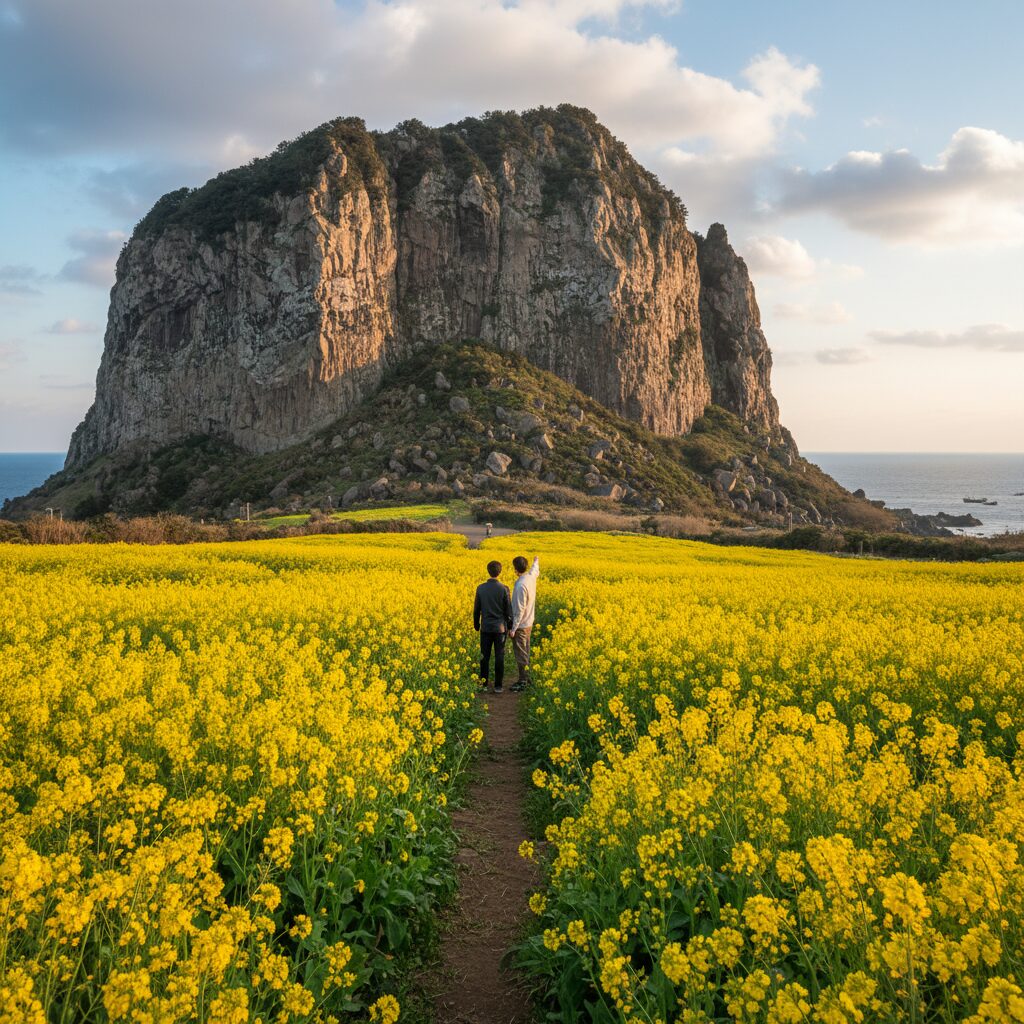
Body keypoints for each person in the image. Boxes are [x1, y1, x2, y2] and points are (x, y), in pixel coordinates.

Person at [473, 560, 512, 693]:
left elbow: (476, 609)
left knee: (484, 656)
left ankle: (483, 684)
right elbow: (508, 610)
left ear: (488, 571)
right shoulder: (504, 589)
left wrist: (476, 624)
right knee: (499, 656)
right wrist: (510, 626)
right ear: (499, 572)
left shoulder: (480, 588)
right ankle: (498, 686)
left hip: (486, 628)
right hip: (500, 629)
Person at [509, 555, 540, 692]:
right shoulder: (530, 577)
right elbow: (535, 571)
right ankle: (528, 678)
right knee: (525, 651)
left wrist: (513, 628)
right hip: (529, 622)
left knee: (521, 653)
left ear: (515, 569)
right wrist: (536, 562)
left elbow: (519, 609)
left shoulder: (521, 585)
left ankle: (523, 681)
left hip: (521, 624)